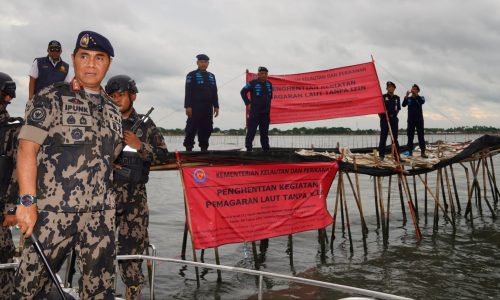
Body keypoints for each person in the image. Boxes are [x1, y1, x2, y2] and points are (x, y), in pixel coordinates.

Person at [14, 31, 122, 299]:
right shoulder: (51, 97)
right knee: (29, 288)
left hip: (101, 217)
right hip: (53, 214)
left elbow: (111, 157)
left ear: (108, 63)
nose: (91, 64)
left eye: (99, 58)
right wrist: (27, 201)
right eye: (84, 56)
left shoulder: (113, 109)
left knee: (100, 291)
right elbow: (27, 149)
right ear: (73, 59)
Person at [105, 75, 168, 299]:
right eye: (112, 96)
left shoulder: (145, 125)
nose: (116, 100)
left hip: (135, 200)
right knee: (100, 253)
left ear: (133, 96)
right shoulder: (102, 122)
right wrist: (106, 162)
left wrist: (140, 145)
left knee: (132, 255)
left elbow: (162, 155)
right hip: (104, 199)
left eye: (121, 95)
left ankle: (133, 294)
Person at [0, 72, 20, 299]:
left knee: (4, 265)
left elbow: (19, 170)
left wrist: (12, 208)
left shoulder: (13, 129)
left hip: (2, 211)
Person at [183, 54, 219, 151]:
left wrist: (216, 106)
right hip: (194, 106)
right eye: (201, 62)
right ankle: (188, 148)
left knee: (207, 128)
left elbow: (214, 92)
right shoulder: (191, 75)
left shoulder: (212, 76)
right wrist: (188, 106)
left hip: (208, 107)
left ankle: (204, 148)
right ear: (197, 63)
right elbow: (188, 91)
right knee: (191, 128)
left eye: (205, 62)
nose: (203, 64)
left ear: (208, 63)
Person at [240, 66, 273, 152]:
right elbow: (242, 92)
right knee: (251, 132)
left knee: (264, 133)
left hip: (265, 113)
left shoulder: (269, 84)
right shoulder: (252, 83)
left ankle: (266, 150)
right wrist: (248, 103)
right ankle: (248, 149)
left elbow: (270, 97)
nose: (264, 75)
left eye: (266, 74)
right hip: (255, 112)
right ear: (258, 74)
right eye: (262, 73)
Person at [402, 83, 427, 158]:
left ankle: (423, 152)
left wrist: (416, 95)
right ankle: (410, 152)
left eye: (415, 89)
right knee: (410, 136)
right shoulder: (408, 98)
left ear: (418, 91)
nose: (414, 90)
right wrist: (406, 96)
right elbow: (403, 105)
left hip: (419, 120)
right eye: (413, 89)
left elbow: (422, 102)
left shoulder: (421, 98)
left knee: (421, 136)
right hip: (410, 120)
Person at [378, 81, 400, 160]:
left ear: (394, 88)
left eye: (392, 87)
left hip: (393, 119)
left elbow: (398, 109)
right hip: (384, 119)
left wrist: (393, 116)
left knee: (394, 138)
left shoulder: (397, 98)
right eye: (389, 87)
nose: (390, 88)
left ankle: (397, 156)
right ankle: (381, 155)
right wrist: (382, 117)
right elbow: (379, 109)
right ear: (387, 88)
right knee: (383, 137)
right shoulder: (383, 97)